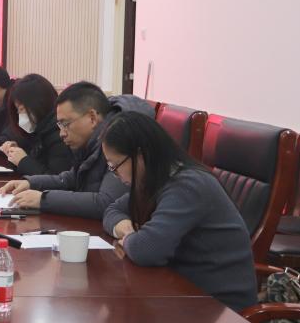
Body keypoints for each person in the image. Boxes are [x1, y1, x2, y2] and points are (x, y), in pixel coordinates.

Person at [101, 112, 258, 311]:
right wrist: (127, 229)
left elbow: (147, 250)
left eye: (115, 166)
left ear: (140, 155)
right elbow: (112, 210)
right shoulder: (154, 180)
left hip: (220, 308)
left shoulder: (188, 185)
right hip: (184, 292)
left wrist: (132, 239)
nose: (114, 174)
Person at [0, 81, 154, 219]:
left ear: (92, 118)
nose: (62, 133)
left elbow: (106, 202)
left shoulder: (120, 138)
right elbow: (72, 178)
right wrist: (30, 183)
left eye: (65, 124)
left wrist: (43, 199)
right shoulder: (92, 141)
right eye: (60, 125)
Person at [0, 74, 73, 175]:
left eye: (21, 109)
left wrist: (23, 161)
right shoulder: (39, 131)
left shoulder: (58, 133)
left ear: (38, 104)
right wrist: (15, 154)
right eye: (17, 110)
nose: (19, 115)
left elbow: (56, 179)